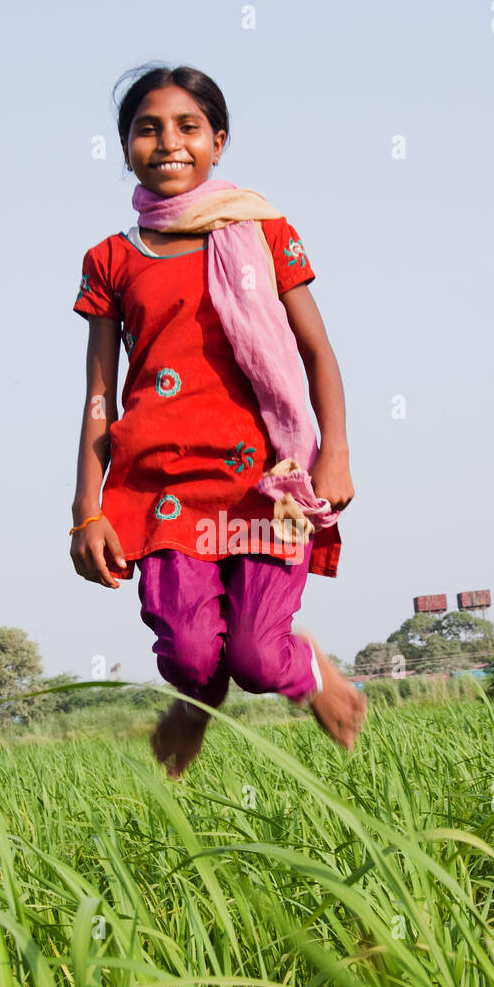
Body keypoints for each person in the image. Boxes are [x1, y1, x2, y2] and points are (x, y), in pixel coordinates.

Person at [70, 63, 367, 778]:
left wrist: (337, 452)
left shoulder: (263, 233)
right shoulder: (111, 258)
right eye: (148, 128)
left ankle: (311, 673)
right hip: (163, 486)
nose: (168, 141)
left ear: (218, 141)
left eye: (188, 126)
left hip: (268, 477)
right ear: (126, 146)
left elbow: (316, 347)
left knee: (260, 657)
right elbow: (99, 394)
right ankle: (194, 701)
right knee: (191, 656)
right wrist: (87, 509)